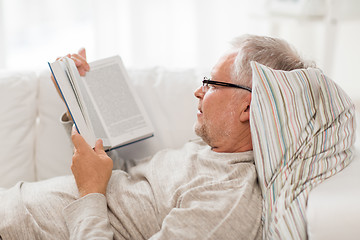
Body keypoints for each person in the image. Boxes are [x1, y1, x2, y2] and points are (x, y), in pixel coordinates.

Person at [0, 34, 314, 240]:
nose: (197, 92)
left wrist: (90, 191)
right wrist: (76, 100)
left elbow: (103, 195)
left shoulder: (227, 199)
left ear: (247, 107)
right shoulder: (207, 151)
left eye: (211, 84)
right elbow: (129, 198)